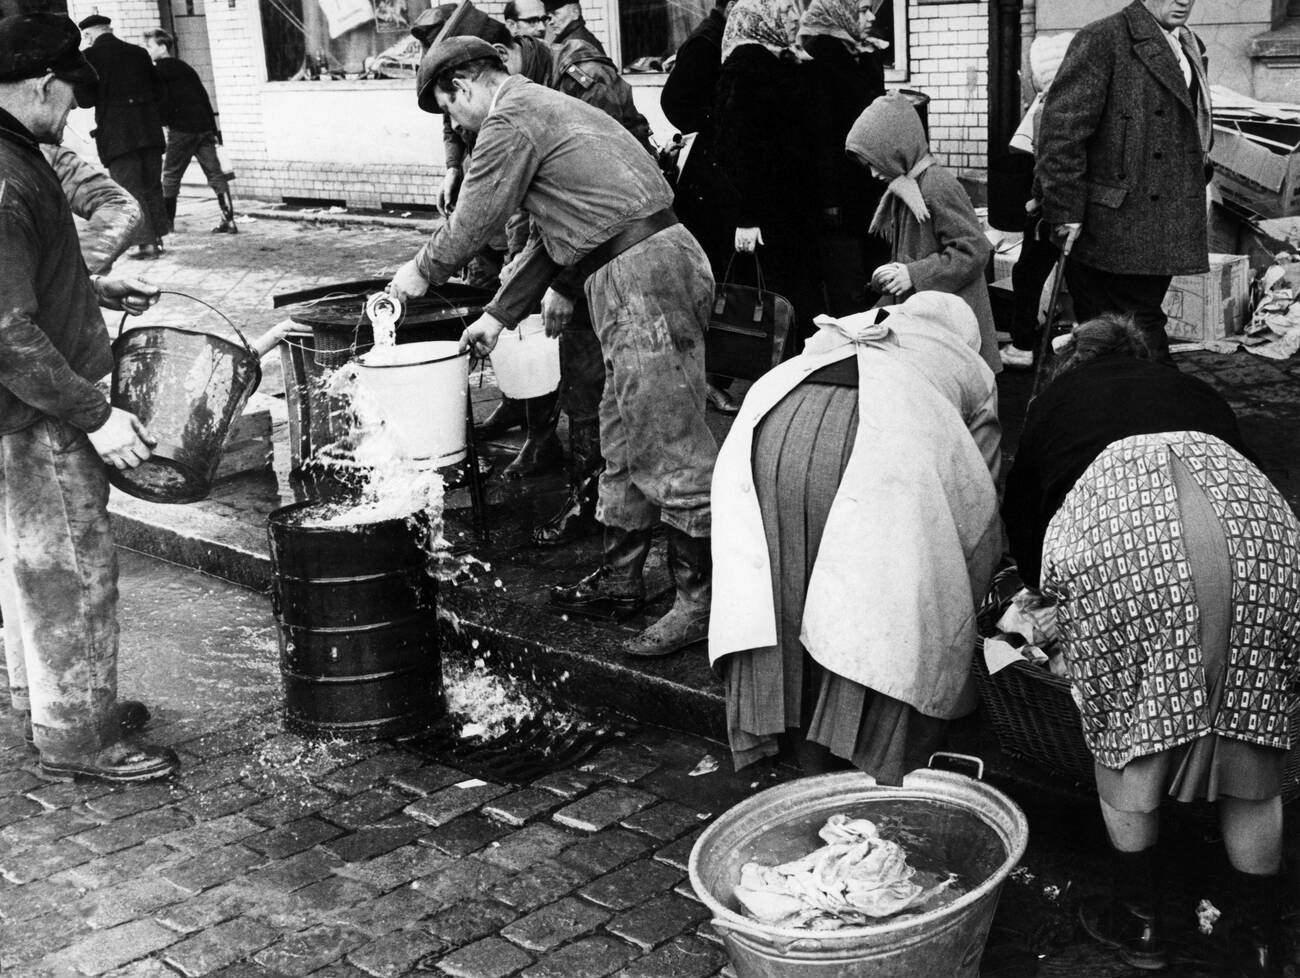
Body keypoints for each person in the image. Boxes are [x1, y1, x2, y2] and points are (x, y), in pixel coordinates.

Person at [388, 37, 717, 658]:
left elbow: (475, 217)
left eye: (447, 111)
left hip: (642, 275)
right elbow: (558, 237)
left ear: (461, 86)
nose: (454, 126)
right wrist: (497, 315)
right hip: (636, 264)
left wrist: (421, 271)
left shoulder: (511, 118)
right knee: (623, 440)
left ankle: (700, 604)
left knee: (669, 444)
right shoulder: (544, 110)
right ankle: (624, 580)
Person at [1002, 314, 1300, 976]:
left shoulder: (1057, 398)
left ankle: (1142, 925)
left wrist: (1038, 598)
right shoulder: (1199, 395)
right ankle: (1260, 941)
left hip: (1128, 544)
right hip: (1261, 537)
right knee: (1254, 750)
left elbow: (1023, 519)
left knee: (1129, 730)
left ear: (1076, 363)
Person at [710, 292, 1002, 781]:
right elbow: (980, 491)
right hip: (875, 443)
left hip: (774, 430)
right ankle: (845, 753)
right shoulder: (969, 365)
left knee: (785, 580)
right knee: (867, 599)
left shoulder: (850, 325)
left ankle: (789, 737)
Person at [0, 13, 177, 783]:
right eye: (71, 94)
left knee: (32, 564)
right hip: (42, 410)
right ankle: (79, 737)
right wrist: (98, 416)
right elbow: (8, 332)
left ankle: (41, 697)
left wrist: (95, 283)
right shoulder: (8, 177)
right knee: (74, 567)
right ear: (42, 85)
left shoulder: (15, 155)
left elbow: (28, 282)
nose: (75, 111)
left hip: (29, 406)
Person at [439, 9, 653, 543]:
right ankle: (601, 524)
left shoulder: (569, 84)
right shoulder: (521, 95)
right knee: (604, 408)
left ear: (500, 57)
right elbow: (533, 212)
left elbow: (605, 197)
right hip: (590, 256)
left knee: (636, 417)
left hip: (629, 257)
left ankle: (690, 581)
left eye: (452, 109)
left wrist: (560, 283)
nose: (458, 129)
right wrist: (505, 304)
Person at [1035, 0, 1213, 361]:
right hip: (1110, 227)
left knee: (1122, 336)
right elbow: (1061, 134)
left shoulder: (1189, 44)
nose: (1183, 0)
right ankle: (1157, 410)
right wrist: (1066, 211)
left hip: (1162, 223)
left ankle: (1122, 408)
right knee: (1131, 333)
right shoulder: (1104, 39)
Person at [846, 92, 1002, 374]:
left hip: (955, 323)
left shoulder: (936, 185)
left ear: (897, 149)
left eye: (874, 162)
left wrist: (913, 274)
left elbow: (975, 249)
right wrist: (892, 276)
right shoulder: (906, 186)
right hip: (932, 316)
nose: (872, 174)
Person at [712, 0, 824, 356]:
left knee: (784, 296)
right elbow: (741, 150)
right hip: (769, 212)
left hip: (783, 206)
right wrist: (747, 218)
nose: (795, 17)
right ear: (764, 16)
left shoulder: (774, 59)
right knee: (775, 297)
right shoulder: (748, 67)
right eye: (786, 8)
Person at [660, 0, 740, 415]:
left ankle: (713, 373)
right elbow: (674, 103)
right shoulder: (706, 43)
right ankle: (704, 378)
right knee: (713, 278)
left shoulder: (721, 36)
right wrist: (717, 121)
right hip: (708, 180)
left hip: (717, 174)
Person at [798, 0, 890, 317]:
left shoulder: (864, 51)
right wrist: (829, 199)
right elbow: (819, 134)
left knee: (876, 262)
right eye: (861, 9)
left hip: (871, 178)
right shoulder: (816, 55)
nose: (870, 17)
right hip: (839, 184)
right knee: (847, 274)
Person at [999, 32, 1071, 370]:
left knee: (1028, 275)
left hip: (1051, 212)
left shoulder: (1048, 109)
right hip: (1079, 210)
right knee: (1083, 280)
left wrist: (1037, 202)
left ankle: (1023, 344)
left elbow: (1048, 164)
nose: (1022, 75)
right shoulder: (1081, 103)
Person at [75, 14, 168, 260]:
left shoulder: (90, 57)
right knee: (151, 184)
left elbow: (85, 100)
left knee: (129, 189)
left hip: (118, 137)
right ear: (109, 29)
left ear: (88, 35)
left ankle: (146, 245)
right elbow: (159, 90)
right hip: (149, 131)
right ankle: (157, 237)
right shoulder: (139, 53)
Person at [142, 28, 237, 235]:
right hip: (203, 128)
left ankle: (168, 224)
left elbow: (161, 102)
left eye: (149, 46)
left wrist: (164, 122)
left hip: (181, 130)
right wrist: (213, 130)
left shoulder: (157, 71)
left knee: (170, 176)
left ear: (163, 47)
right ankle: (229, 220)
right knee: (215, 175)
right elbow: (203, 97)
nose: (146, 50)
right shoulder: (186, 67)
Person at [43, 143, 143, 273]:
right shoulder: (44, 152)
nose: (66, 122)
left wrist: (66, 274)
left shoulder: (48, 154)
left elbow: (121, 205)